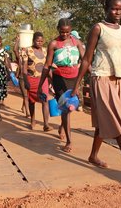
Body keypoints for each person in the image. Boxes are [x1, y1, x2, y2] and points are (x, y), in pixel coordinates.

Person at [71, 0, 121, 179]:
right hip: (101, 79)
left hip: (119, 81)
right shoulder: (98, 28)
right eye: (114, 8)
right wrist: (76, 86)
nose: (118, 12)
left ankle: (93, 156)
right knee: (117, 120)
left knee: (103, 122)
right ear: (106, 9)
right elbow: (86, 59)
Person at [37, 18, 85, 153]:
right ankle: (69, 141)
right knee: (65, 107)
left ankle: (63, 126)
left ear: (71, 30)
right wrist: (41, 84)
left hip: (74, 78)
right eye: (62, 32)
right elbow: (47, 65)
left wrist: (92, 75)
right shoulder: (54, 44)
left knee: (71, 107)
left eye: (67, 32)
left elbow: (85, 60)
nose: (64, 35)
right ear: (58, 29)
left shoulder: (77, 43)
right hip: (59, 78)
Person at [16, 32, 52, 131]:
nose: (39, 43)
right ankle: (33, 120)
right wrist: (26, 80)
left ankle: (46, 124)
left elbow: (48, 66)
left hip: (43, 79)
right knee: (32, 101)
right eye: (37, 41)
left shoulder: (45, 51)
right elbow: (24, 67)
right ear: (33, 41)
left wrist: (52, 79)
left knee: (45, 100)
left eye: (41, 41)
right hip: (31, 79)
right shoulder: (28, 51)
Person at [14, 36, 30, 118]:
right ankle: (28, 112)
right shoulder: (19, 57)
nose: (24, 49)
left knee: (27, 95)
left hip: (30, 77)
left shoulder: (31, 55)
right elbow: (15, 50)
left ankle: (24, 106)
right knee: (25, 95)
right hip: (21, 77)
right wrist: (17, 40)